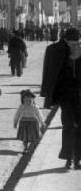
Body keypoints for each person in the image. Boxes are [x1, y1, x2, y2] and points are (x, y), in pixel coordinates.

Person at [40, 27, 81, 169]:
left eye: (77, 43)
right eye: (72, 43)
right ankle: (68, 158)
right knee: (68, 126)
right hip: (65, 95)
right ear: (65, 40)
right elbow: (48, 72)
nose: (75, 46)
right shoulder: (54, 50)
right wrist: (47, 93)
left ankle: (78, 159)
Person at [13, 89, 45, 154]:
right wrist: (15, 122)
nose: (28, 102)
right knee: (25, 138)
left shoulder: (35, 107)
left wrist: (42, 123)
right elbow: (17, 114)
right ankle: (25, 148)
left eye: (30, 100)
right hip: (23, 123)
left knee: (33, 137)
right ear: (23, 100)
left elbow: (39, 115)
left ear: (33, 100)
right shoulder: (21, 107)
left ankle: (33, 147)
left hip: (33, 123)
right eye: (26, 100)